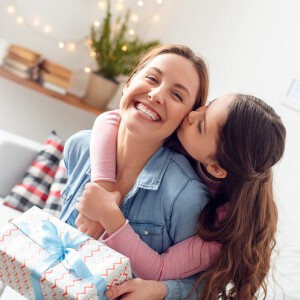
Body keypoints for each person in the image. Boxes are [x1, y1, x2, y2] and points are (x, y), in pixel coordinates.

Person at [76, 93, 286, 299]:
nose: (193, 115)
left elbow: (160, 270)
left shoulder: (223, 225)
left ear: (216, 168)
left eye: (201, 126)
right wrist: (103, 187)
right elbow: (110, 118)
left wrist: (109, 215)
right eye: (208, 106)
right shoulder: (187, 138)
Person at [60, 44, 211, 299]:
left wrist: (162, 291)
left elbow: (203, 287)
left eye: (177, 95)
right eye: (152, 78)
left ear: (186, 118)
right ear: (128, 83)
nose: (156, 95)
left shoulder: (186, 196)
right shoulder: (79, 147)